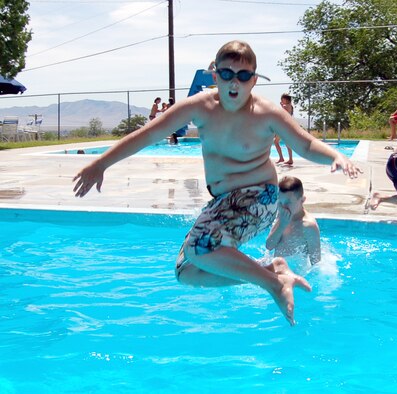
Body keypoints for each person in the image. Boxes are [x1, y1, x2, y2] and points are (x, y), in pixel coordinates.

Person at [73, 40, 360, 325]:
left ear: (254, 80)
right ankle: (271, 271)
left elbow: (306, 145)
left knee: (201, 248)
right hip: (224, 201)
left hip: (260, 196)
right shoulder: (199, 107)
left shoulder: (268, 113)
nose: (235, 82)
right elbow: (148, 135)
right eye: (227, 74)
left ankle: (273, 284)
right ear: (215, 77)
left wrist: (336, 156)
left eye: (243, 76)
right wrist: (101, 163)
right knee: (187, 271)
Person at [266, 176, 320, 274]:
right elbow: (269, 246)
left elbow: (316, 264)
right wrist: (282, 225)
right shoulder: (282, 214)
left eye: (288, 202)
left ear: (302, 200)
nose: (283, 206)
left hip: (294, 273)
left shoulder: (308, 226)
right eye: (280, 202)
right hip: (276, 268)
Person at [273, 93, 294, 165]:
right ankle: (282, 158)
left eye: (282, 99)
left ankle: (289, 159)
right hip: (283, 126)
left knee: (286, 143)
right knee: (276, 142)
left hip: (285, 127)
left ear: (286, 99)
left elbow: (281, 110)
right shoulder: (290, 106)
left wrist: (281, 105)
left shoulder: (286, 106)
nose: (281, 100)